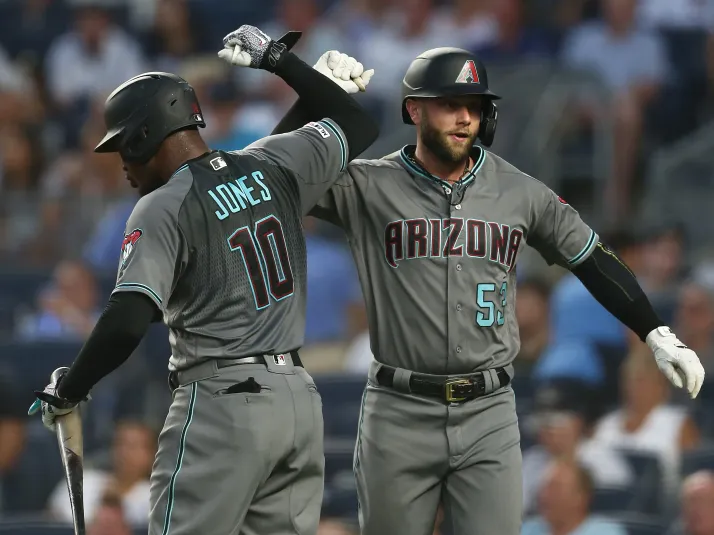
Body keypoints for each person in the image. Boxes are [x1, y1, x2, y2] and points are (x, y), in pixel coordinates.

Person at [270, 46, 706, 535]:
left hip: (489, 411)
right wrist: (312, 98)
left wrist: (654, 329)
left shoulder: (519, 190)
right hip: (399, 409)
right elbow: (273, 175)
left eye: (474, 106)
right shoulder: (368, 184)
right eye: (450, 104)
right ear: (414, 109)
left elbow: (591, 256)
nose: (464, 118)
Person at [28, 25, 379, 535]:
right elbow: (355, 121)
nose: (122, 163)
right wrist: (282, 63)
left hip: (222, 402)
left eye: (124, 145)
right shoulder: (267, 164)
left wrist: (71, 387)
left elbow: (128, 320)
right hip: (298, 403)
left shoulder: (161, 204)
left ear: (148, 134)